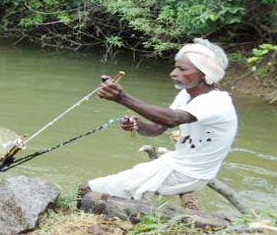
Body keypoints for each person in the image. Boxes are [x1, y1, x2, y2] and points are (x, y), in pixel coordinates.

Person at [81, 38, 238, 202]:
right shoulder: (186, 94)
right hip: (178, 163)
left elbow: (173, 119)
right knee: (100, 189)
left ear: (204, 74)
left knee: (87, 189)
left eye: (182, 69)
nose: (173, 73)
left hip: (189, 173)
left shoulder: (216, 102)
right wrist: (138, 125)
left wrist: (122, 98)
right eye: (175, 68)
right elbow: (157, 128)